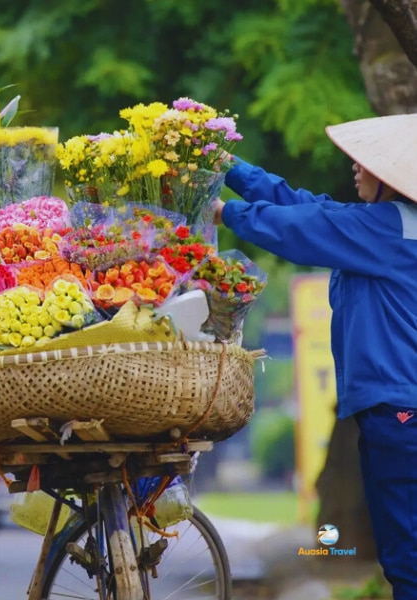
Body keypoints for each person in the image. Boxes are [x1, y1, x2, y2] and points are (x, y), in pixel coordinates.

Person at [212, 113, 417, 598]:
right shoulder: (388, 225)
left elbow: (300, 231)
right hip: (395, 410)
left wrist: (226, 213)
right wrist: (225, 164)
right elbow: (305, 209)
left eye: (365, 164)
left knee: (407, 557)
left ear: (391, 176)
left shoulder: (387, 228)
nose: (355, 170)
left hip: (401, 413)